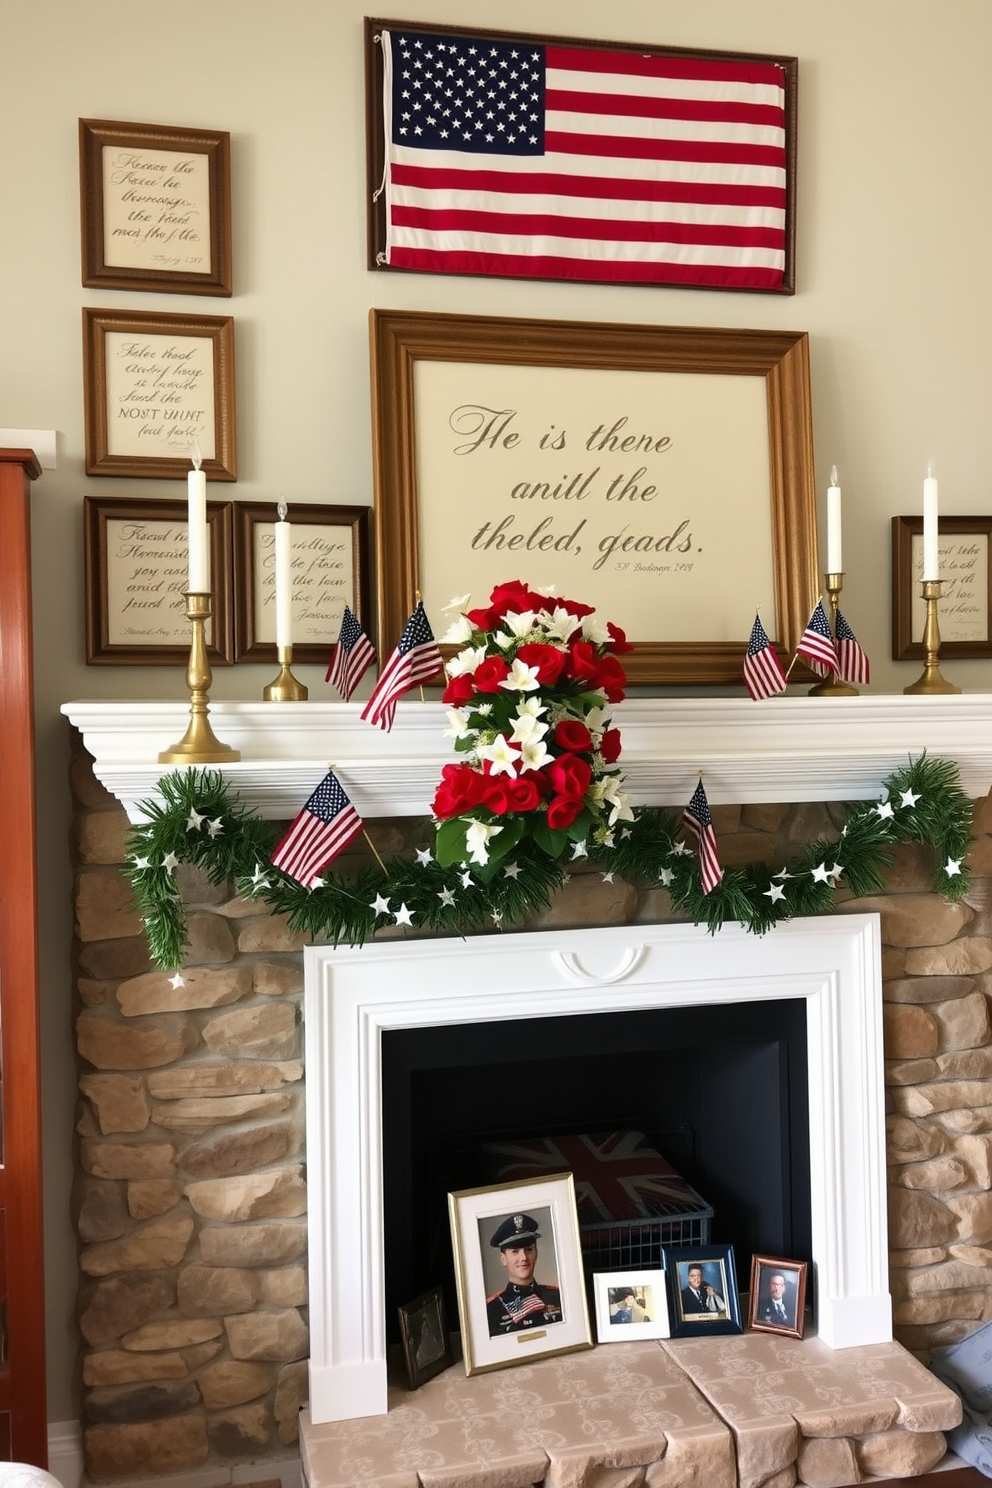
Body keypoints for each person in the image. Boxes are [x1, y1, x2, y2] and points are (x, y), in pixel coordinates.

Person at [485, 1212, 563, 1336]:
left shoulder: (559, 1296)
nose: (524, 1257)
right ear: (503, 1258)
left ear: (536, 1252)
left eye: (529, 1249)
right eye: (515, 1251)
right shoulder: (491, 1309)